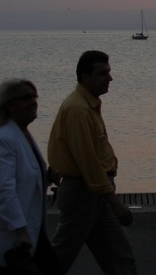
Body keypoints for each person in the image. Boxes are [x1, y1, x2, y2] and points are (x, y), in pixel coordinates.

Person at [48, 51, 137, 274]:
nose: (110, 78)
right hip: (83, 194)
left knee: (120, 258)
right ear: (85, 77)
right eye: (103, 73)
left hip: (95, 194)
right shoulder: (78, 110)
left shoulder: (88, 105)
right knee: (58, 258)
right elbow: (88, 163)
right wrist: (115, 202)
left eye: (109, 72)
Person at [0, 79, 63, 275]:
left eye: (34, 97)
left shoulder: (23, 135)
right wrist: (20, 230)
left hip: (32, 231)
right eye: (26, 98)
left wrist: (45, 177)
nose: (33, 102)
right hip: (14, 237)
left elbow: (22, 178)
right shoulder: (2, 140)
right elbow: (3, 190)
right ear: (10, 105)